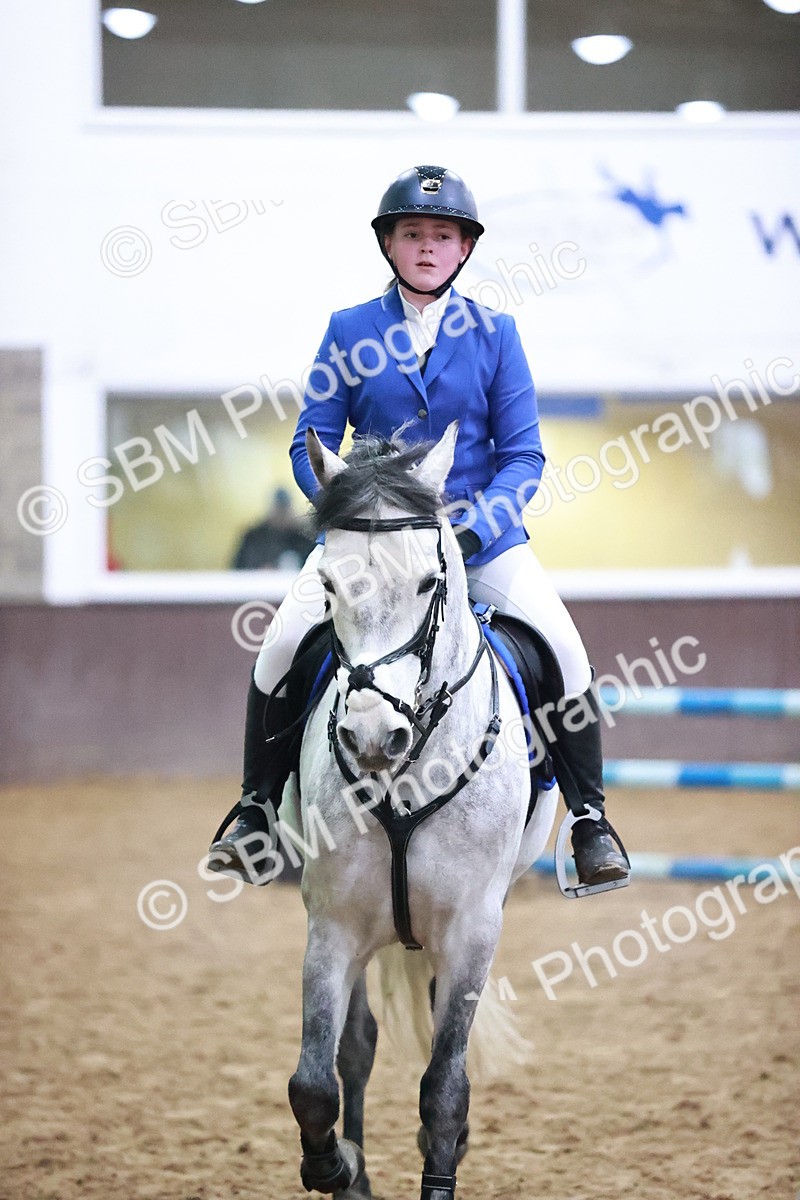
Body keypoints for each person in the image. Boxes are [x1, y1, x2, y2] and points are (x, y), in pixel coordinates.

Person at [210, 164, 629, 889]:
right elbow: (309, 438)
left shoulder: (496, 333)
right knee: (278, 645)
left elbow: (523, 453)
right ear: (390, 245)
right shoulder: (349, 329)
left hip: (478, 539)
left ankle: (590, 819)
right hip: (369, 544)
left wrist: (475, 529)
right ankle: (253, 812)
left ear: (464, 249)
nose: (428, 247)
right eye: (414, 234)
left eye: (443, 235)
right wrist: (346, 517)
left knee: (566, 648)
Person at [230, 486, 315, 571]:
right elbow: (239, 569)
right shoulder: (254, 538)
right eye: (278, 511)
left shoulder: (303, 538)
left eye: (284, 512)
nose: (281, 517)